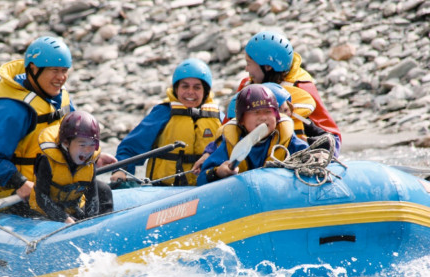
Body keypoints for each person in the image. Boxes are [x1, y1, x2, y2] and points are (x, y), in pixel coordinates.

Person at [0, 36, 114, 214]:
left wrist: (90, 156)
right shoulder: (11, 108)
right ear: (33, 69)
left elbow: (71, 141)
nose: (60, 78)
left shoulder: (60, 98)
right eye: (54, 70)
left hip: (55, 187)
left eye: (64, 70)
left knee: (103, 192)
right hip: (16, 195)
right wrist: (19, 182)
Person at [110, 58, 222, 186]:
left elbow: (232, 144)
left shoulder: (218, 117)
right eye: (185, 86)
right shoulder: (163, 113)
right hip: (166, 190)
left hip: (208, 188)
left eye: (197, 87)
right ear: (176, 89)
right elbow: (131, 147)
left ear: (205, 91)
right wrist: (121, 170)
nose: (190, 92)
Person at [236, 30, 342, 153]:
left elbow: (334, 138)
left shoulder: (301, 88)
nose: (246, 69)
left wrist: (308, 144)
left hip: (291, 153)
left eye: (249, 63)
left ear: (267, 67)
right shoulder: (247, 86)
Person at [197, 84, 308, 186]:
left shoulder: (288, 140)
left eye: (268, 112)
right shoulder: (230, 144)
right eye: (256, 112)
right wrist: (218, 172)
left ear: (277, 117)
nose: (263, 117)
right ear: (241, 120)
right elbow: (201, 179)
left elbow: (311, 160)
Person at [28, 111, 106, 223]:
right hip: (44, 213)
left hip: (73, 209)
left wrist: (90, 221)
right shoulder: (46, 162)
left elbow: (92, 197)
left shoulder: (90, 163)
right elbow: (42, 198)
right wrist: (64, 218)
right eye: (82, 145)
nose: (88, 150)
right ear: (65, 143)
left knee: (104, 190)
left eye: (92, 145)